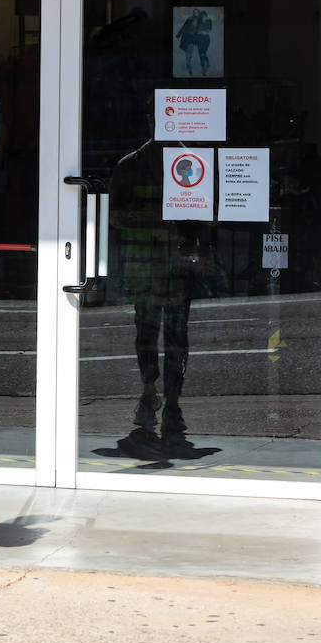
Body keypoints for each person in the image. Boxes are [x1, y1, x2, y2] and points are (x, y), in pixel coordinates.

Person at [107, 138, 205, 459]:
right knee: (147, 332)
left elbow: (205, 215)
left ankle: (172, 400)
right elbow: (115, 216)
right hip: (146, 264)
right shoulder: (130, 166)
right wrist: (159, 220)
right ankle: (151, 391)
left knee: (176, 333)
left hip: (174, 265)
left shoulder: (190, 160)